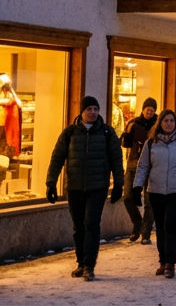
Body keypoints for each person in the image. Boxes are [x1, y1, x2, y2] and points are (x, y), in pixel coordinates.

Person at [45, 96, 123, 281]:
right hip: (75, 187)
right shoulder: (70, 133)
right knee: (78, 226)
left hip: (98, 187)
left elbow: (116, 159)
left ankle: (89, 265)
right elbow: (57, 158)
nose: (93, 112)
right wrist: (51, 183)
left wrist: (119, 184)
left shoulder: (106, 132)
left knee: (91, 224)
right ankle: (81, 262)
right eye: (89, 109)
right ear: (81, 112)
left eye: (96, 109)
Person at [134, 109, 176, 278]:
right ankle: (162, 260)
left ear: (175, 122)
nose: (169, 124)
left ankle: (170, 263)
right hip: (155, 190)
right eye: (166, 121)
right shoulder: (151, 143)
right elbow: (143, 166)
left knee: (170, 224)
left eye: (171, 120)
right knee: (161, 227)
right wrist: (137, 186)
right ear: (160, 123)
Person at [121, 97, 158, 243]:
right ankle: (138, 223)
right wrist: (127, 135)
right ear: (143, 109)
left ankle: (146, 232)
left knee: (150, 201)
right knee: (128, 197)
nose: (149, 111)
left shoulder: (158, 124)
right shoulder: (134, 123)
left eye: (152, 109)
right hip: (133, 165)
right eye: (147, 108)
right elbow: (125, 144)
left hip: (152, 166)